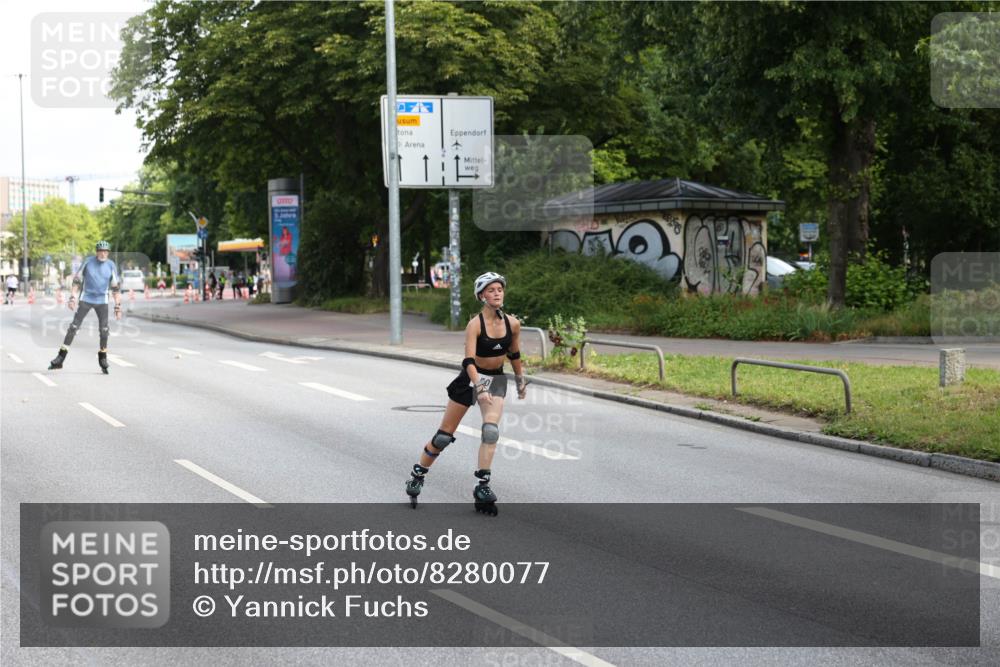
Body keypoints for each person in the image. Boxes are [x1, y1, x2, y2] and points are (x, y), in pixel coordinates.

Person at [405, 272, 528, 515]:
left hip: (496, 380)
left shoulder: (513, 324)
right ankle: (418, 475)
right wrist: (478, 386)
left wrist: (520, 379)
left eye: (499, 289)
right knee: (444, 436)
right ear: (481, 296)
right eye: (491, 290)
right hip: (470, 379)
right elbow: (468, 360)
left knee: (491, 431)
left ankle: (482, 485)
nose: (497, 294)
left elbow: (514, 354)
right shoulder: (475, 325)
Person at [48, 240, 122, 374]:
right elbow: (77, 281)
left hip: (102, 301)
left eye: (105, 252)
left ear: (108, 253)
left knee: (104, 330)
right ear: (97, 252)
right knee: (73, 327)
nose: (103, 254)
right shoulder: (88, 262)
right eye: (101, 251)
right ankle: (60, 358)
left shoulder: (111, 265)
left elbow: (115, 288)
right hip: (86, 299)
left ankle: (103, 357)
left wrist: (118, 307)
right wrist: (72, 298)